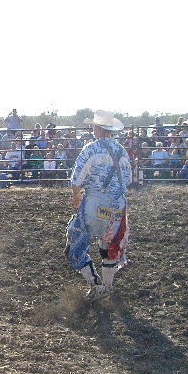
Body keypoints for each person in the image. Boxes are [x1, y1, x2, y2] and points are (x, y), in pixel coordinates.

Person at [66, 110, 131, 301]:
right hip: (118, 207)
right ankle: (108, 286)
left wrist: (76, 196)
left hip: (95, 204)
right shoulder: (122, 151)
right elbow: (128, 180)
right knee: (108, 246)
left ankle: (95, 285)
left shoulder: (91, 149)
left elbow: (77, 177)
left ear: (98, 129)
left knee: (74, 243)